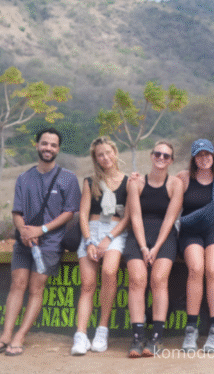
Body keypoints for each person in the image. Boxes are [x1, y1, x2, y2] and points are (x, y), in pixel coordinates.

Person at [0, 128, 81, 357]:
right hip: (24, 242)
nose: (48, 148)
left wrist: (42, 229)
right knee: (17, 284)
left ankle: (20, 336)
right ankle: (6, 334)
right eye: (44, 143)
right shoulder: (24, 178)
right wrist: (25, 232)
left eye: (53, 145)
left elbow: (70, 212)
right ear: (37, 145)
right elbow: (16, 212)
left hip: (50, 243)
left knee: (36, 288)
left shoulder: (68, 178)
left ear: (58, 149)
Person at [71, 137, 131, 355]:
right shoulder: (90, 182)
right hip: (92, 232)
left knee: (108, 272)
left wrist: (108, 239)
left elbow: (128, 218)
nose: (105, 157)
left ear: (115, 152)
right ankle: (80, 335)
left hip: (115, 233)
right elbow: (84, 215)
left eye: (108, 152)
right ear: (95, 158)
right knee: (87, 284)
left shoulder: (128, 181)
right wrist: (89, 241)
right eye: (100, 154)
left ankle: (102, 329)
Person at [125, 141, 183, 357]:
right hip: (138, 235)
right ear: (151, 156)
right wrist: (142, 246)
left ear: (171, 160)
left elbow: (170, 218)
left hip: (164, 236)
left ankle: (156, 338)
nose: (161, 158)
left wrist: (156, 247)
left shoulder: (175, 184)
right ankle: (138, 337)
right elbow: (135, 216)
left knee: (158, 279)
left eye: (166, 156)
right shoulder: (137, 183)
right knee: (138, 279)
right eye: (157, 154)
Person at [176, 139, 214, 353]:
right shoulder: (183, 178)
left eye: (207, 154)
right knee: (196, 269)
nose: (204, 158)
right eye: (199, 155)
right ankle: (191, 329)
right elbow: (167, 192)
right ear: (193, 158)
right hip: (191, 230)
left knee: (212, 270)